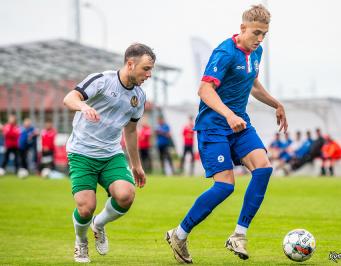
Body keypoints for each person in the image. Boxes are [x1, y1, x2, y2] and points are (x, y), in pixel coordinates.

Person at [165, 5, 288, 263]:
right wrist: (228, 114)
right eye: (256, 33)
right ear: (242, 28)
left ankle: (239, 235)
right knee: (224, 187)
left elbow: (253, 85)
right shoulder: (224, 52)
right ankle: (179, 234)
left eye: (264, 34)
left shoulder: (257, 52)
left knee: (264, 168)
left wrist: (276, 103)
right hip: (213, 127)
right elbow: (204, 89)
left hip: (239, 125)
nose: (260, 39)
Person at [63, 43, 155, 263]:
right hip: (81, 153)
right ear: (130, 64)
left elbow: (131, 130)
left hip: (110, 154)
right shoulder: (102, 80)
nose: (149, 74)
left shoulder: (139, 97)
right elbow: (69, 98)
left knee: (126, 195)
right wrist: (84, 107)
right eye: (146, 68)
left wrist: (136, 165)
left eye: (151, 69)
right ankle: (81, 241)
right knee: (86, 208)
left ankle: (99, 224)